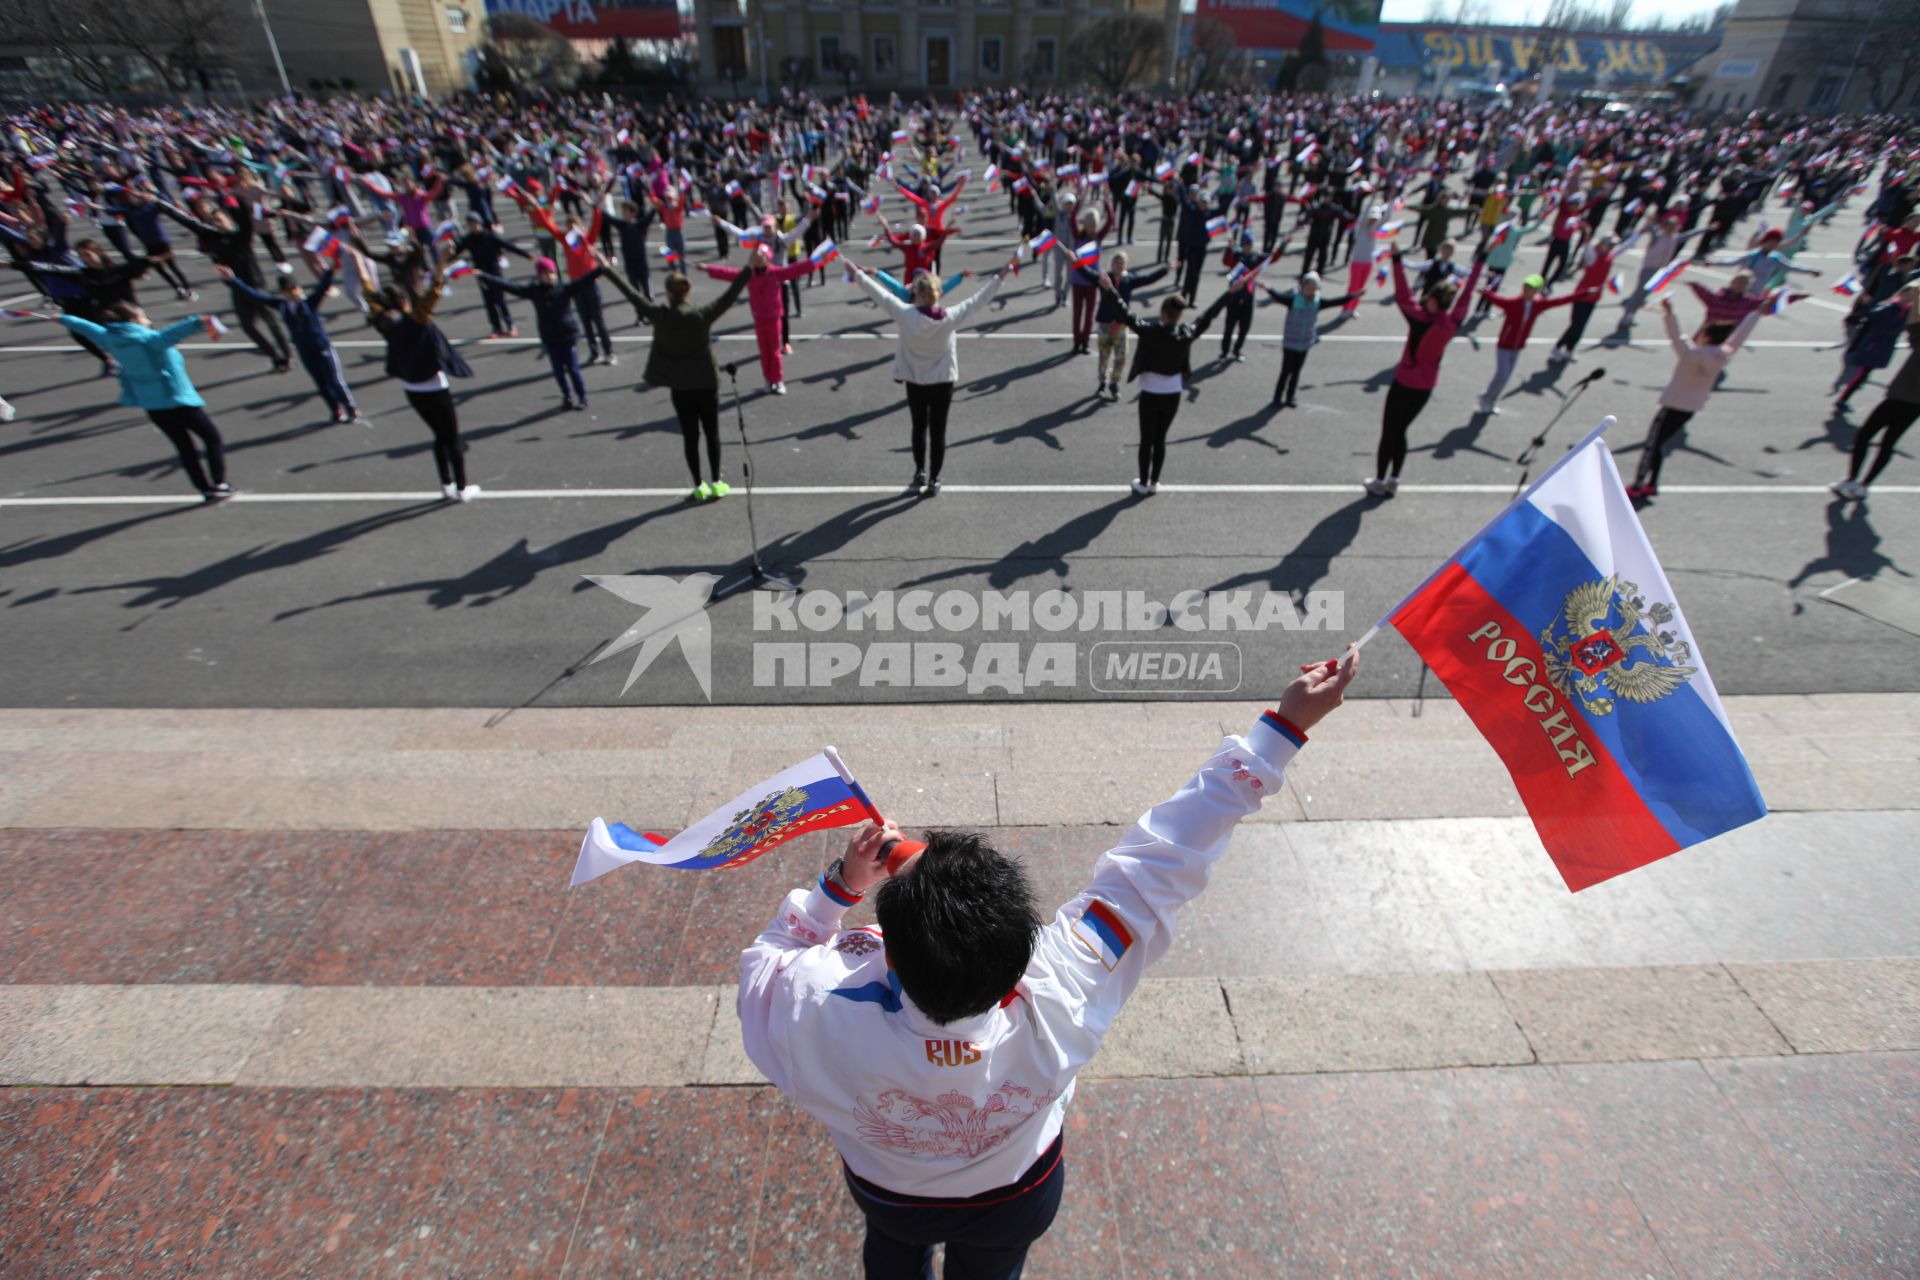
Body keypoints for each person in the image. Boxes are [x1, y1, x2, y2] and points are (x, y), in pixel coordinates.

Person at [740, 650, 1358, 1280]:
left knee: (893, 1256)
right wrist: (1282, 729)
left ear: (889, 952)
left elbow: (771, 959)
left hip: (888, 1192)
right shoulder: (1067, 980)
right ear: (1021, 943)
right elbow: (1164, 860)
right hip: (1018, 1192)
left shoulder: (813, 1005)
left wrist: (838, 888)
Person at [848, 258, 1008, 495]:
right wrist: (999, 277)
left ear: (919, 295)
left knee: (918, 427)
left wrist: (857, 274)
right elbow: (978, 301)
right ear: (936, 295)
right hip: (942, 381)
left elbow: (881, 296)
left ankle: (919, 472)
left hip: (916, 380)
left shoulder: (905, 314)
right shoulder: (950, 317)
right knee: (938, 430)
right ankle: (935, 478)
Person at [596, 255, 748, 501]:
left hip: (680, 386)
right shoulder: (701, 315)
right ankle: (717, 481)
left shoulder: (660, 316)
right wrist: (749, 268)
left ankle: (699, 484)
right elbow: (729, 296)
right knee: (712, 433)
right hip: (706, 383)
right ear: (687, 292)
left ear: (668, 293)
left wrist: (607, 269)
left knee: (690, 436)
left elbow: (632, 294)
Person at [58, 300, 232, 501]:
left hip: (153, 406)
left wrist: (63, 318)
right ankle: (219, 483)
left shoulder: (108, 338)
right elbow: (174, 333)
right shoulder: (149, 340)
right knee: (212, 439)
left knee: (185, 447)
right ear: (133, 320)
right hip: (178, 401)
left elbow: (86, 328)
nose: (147, 320)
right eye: (143, 316)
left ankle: (204, 489)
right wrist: (198, 321)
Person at [359, 250, 479, 503]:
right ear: (403, 302)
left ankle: (446, 484)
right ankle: (462, 487)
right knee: (452, 438)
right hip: (435, 386)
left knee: (438, 436)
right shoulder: (416, 321)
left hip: (412, 388)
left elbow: (369, 294)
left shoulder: (384, 322)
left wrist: (359, 262)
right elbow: (433, 291)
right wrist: (442, 260)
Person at [1368, 246, 1486, 497]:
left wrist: (1397, 261)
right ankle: (1395, 478)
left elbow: (1403, 295)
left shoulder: (1419, 317)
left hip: (1404, 382)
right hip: (1426, 386)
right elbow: (1466, 296)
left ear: (1433, 299)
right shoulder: (1452, 322)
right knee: (1401, 431)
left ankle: (1380, 479)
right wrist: (1480, 262)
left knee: (1390, 431)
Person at [1100, 276, 1232, 495]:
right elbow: (1208, 316)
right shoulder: (1185, 335)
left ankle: (1143, 483)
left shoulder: (1150, 331)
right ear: (1179, 315)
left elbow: (1127, 315)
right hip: (1172, 393)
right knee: (1160, 440)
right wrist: (1229, 293)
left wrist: (1110, 290)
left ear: (1162, 312)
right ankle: (1154, 482)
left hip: (1150, 392)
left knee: (1146, 440)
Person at [1627, 296, 1764, 502]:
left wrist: (1669, 312)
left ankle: (1639, 484)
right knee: (1660, 443)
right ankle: (1652, 483)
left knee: (1653, 444)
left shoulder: (1692, 354)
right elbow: (1739, 336)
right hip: (1691, 407)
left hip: (1672, 403)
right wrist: (1756, 314)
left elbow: (1675, 336)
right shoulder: (1723, 354)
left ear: (1707, 336)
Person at [481, 256, 605, 411]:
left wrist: (601, 268)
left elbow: (585, 280)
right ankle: (567, 396)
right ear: (539, 275)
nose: (549, 276)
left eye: (552, 273)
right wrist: (485, 276)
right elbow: (510, 286)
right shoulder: (534, 291)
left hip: (567, 334)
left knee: (573, 369)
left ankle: (582, 396)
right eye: (546, 273)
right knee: (558, 371)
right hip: (550, 336)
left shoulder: (564, 288)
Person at [702, 246, 815, 395]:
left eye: (762, 255)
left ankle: (778, 380)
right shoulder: (748, 275)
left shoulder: (776, 272)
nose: (759, 257)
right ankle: (768, 380)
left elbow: (796, 269)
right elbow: (728, 273)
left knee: (774, 352)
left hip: (774, 318)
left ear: (768, 257)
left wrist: (816, 261)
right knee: (764, 352)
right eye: (756, 255)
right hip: (759, 318)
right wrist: (708, 268)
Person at [1832, 315, 1920, 498]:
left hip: (1897, 398)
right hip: (1913, 405)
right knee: (1888, 443)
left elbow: (1913, 326)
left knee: (1865, 436)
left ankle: (1852, 479)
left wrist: (1917, 300)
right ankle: (1864, 484)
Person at [1476, 273, 1575, 415]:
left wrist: (1582, 294)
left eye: (1531, 289)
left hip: (1518, 347)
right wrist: (1486, 292)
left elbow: (1560, 300)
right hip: (1504, 345)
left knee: (1506, 376)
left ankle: (1492, 399)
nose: (1527, 291)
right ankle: (1486, 399)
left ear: (1537, 291)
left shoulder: (1538, 304)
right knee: (1502, 374)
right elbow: (1495, 298)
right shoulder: (1513, 303)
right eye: (1526, 287)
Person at [1263, 269, 1353, 408]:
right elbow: (1278, 296)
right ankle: (1277, 396)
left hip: (1305, 343)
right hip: (1290, 342)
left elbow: (1335, 302)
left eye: (1313, 288)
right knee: (1286, 370)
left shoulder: (1317, 302)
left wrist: (1352, 296)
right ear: (1302, 286)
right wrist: (1267, 288)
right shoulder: (1293, 300)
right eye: (1308, 287)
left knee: (1297, 371)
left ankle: (1290, 396)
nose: (1310, 290)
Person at [1091, 252, 1169, 401]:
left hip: (1120, 325)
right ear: (1111, 264)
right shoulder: (1105, 279)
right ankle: (1102, 382)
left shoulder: (1129, 280)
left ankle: (1114, 383)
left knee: (1121, 357)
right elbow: (1087, 274)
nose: (1119, 266)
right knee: (1104, 356)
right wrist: (1076, 261)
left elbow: (1148, 279)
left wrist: (1165, 269)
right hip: (1104, 324)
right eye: (1116, 262)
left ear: (1126, 265)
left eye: (1122, 263)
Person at [1835, 285, 1916, 409]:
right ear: (1901, 294)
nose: (1909, 298)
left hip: (1884, 346)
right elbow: (1871, 315)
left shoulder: (1907, 311)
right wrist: (1867, 304)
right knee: (1862, 374)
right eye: (1907, 295)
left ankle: (1844, 398)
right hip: (1875, 345)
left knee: (1864, 374)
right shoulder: (1889, 308)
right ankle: (1843, 399)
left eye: (1912, 296)